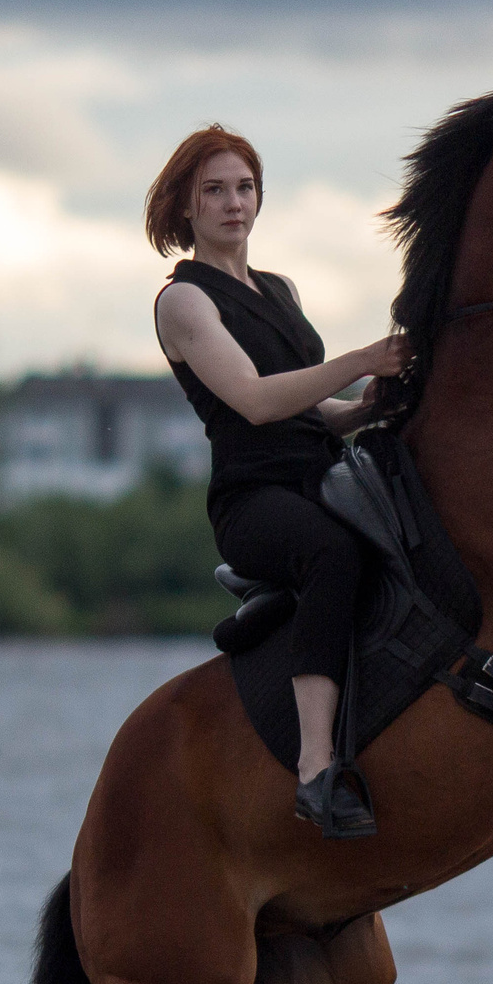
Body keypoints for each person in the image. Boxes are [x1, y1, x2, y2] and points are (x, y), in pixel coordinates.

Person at [148, 125, 407, 839]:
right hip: (254, 498)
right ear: (185, 207)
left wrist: (365, 409)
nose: (235, 203)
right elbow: (258, 401)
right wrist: (360, 357)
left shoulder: (279, 289)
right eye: (215, 190)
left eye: (245, 187)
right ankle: (316, 768)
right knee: (333, 553)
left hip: (320, 471)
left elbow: (310, 408)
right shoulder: (184, 303)